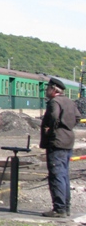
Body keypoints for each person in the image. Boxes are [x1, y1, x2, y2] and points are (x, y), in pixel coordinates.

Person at [40, 77, 81, 217]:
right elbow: (77, 118)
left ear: (53, 89)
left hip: (57, 141)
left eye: (47, 88)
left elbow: (53, 116)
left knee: (56, 174)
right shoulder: (70, 101)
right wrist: (67, 127)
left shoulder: (54, 102)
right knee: (64, 175)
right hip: (68, 140)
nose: (46, 91)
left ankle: (59, 208)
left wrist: (51, 129)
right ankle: (66, 206)